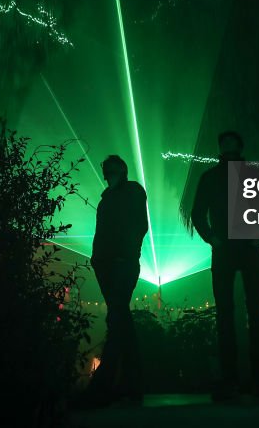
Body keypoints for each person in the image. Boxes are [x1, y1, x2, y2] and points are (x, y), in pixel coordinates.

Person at [189, 131, 259, 402]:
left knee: (245, 315)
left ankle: (253, 382)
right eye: (224, 142)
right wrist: (213, 239)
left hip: (241, 250)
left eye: (230, 142)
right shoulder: (228, 176)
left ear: (239, 145)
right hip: (229, 250)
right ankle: (238, 382)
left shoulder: (245, 176)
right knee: (230, 316)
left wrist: (258, 238)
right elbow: (197, 213)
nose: (227, 146)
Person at [83, 155, 149, 407]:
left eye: (112, 169)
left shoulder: (132, 191)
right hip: (107, 263)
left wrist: (127, 253)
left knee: (117, 319)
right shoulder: (107, 198)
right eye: (106, 169)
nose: (109, 172)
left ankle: (103, 387)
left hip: (121, 262)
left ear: (122, 170)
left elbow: (138, 225)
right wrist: (98, 258)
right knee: (121, 321)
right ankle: (132, 385)